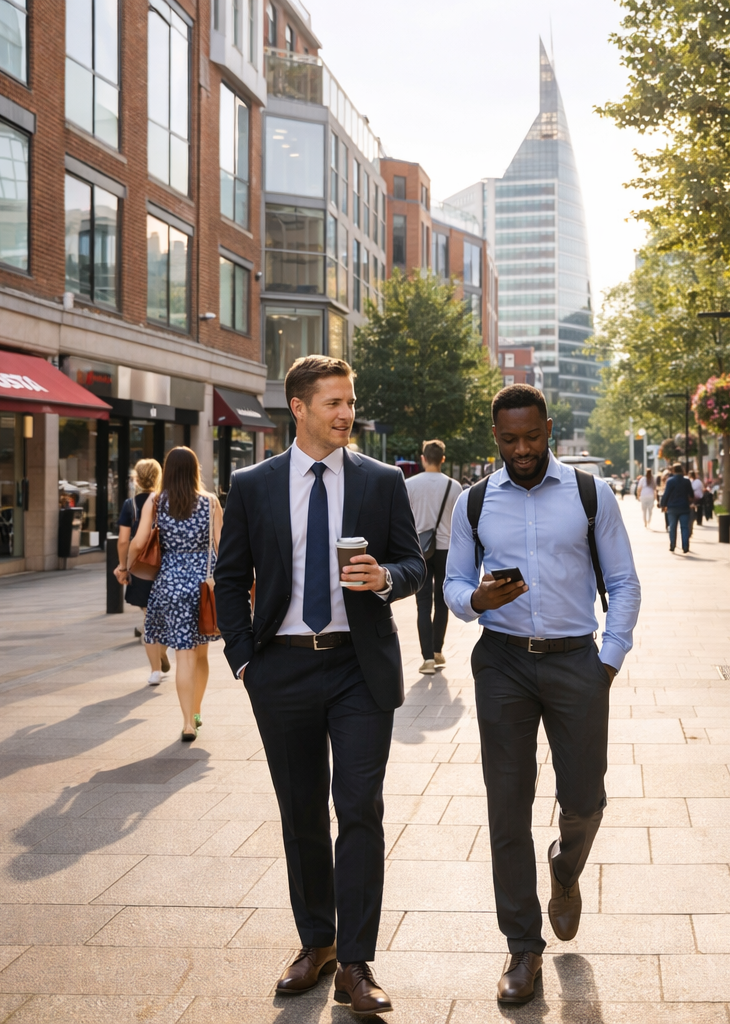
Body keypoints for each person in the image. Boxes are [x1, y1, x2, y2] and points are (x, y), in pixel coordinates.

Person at [213, 355, 425, 1008]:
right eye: (333, 402)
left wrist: (385, 579)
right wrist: (246, 659)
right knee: (302, 812)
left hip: (360, 669)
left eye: (351, 401)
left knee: (359, 808)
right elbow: (229, 575)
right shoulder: (253, 486)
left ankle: (356, 965)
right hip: (281, 668)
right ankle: (317, 942)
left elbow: (414, 563)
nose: (346, 414)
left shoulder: (381, 481)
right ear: (298, 408)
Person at [444, 384, 641, 1005]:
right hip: (502, 662)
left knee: (585, 799)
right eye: (509, 439)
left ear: (549, 429)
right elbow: (452, 583)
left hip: (576, 660)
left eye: (532, 437)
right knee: (507, 804)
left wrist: (606, 662)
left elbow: (624, 582)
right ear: (494, 435)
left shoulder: (590, 494)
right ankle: (522, 948)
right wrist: (477, 600)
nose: (522, 449)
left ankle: (564, 867)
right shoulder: (474, 502)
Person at [124, 447, 221, 740]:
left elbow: (139, 542)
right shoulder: (210, 503)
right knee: (201, 656)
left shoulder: (155, 501)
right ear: (195, 471)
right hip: (203, 587)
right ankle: (196, 711)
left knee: (184, 656)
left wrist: (124, 567)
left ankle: (187, 723)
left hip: (170, 585)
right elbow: (223, 547)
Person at [112, 458, 170, 685]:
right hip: (166, 566)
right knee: (166, 620)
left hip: (142, 568)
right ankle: (162, 652)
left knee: (150, 619)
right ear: (158, 477)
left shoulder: (131, 505)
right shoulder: (167, 501)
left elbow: (124, 541)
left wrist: (123, 567)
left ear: (136, 478)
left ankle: (156, 669)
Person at [405, 439, 461, 675]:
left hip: (420, 548)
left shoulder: (409, 484)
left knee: (422, 604)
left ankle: (427, 658)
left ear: (423, 458)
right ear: (443, 460)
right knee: (442, 602)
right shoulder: (454, 486)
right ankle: (438, 651)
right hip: (446, 549)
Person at [660, 462, 694, 553]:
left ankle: (672, 545)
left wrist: (663, 504)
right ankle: (685, 546)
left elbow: (666, 494)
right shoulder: (686, 481)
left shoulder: (670, 481)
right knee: (684, 527)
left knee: (672, 526)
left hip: (672, 507)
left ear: (673, 470)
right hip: (684, 507)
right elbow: (691, 494)